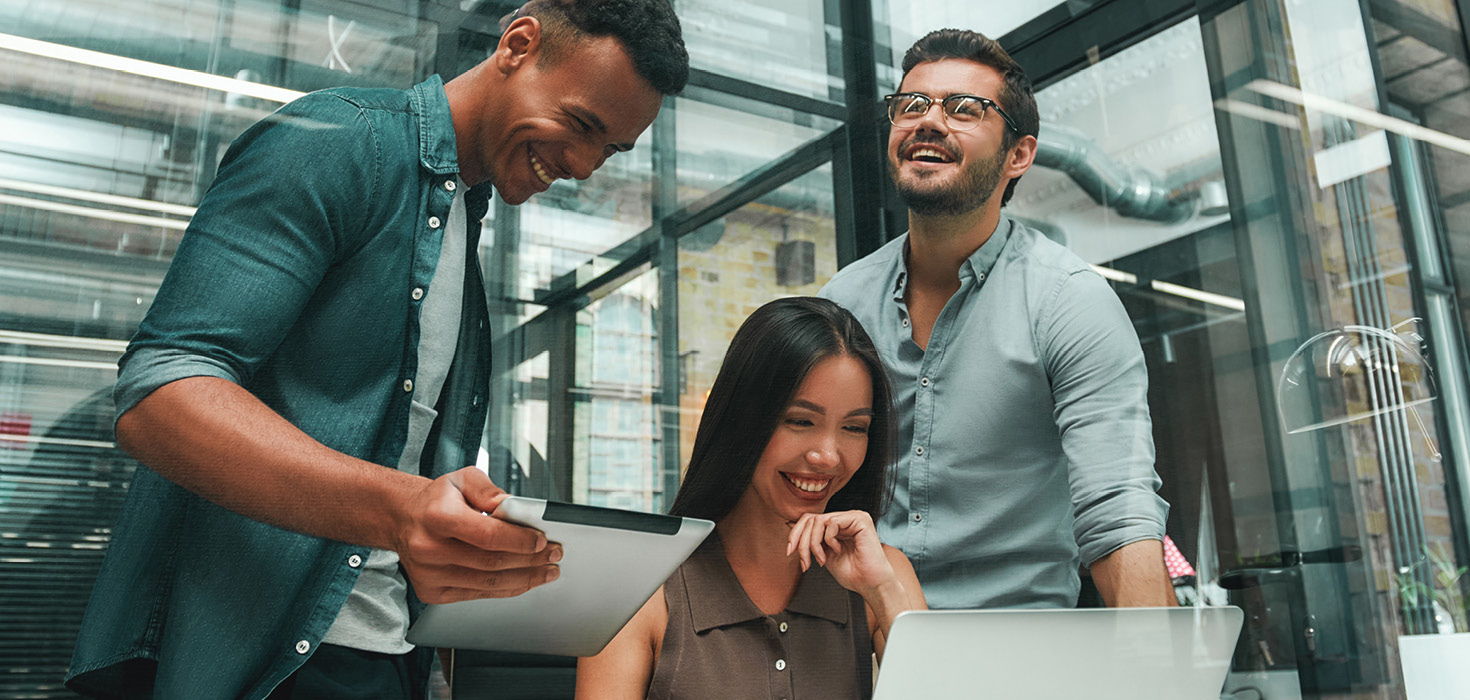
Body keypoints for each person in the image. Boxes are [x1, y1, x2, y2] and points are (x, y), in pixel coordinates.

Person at [65, 1, 687, 697]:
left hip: (386, 656)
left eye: (611, 150)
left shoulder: (460, 224)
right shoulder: (338, 141)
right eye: (580, 126)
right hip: (265, 660)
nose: (581, 166)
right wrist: (400, 509)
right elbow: (161, 393)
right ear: (517, 43)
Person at [819, 28, 1172, 611]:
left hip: (1019, 647)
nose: (928, 122)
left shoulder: (1068, 301)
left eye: (964, 109)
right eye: (911, 106)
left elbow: (1118, 509)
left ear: (1019, 156)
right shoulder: (844, 301)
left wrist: (1161, 668)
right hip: (861, 642)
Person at [576, 297, 926, 699]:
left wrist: (883, 592)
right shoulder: (636, 586)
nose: (827, 456)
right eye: (800, 421)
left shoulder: (885, 574)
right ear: (742, 419)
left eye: (854, 427)